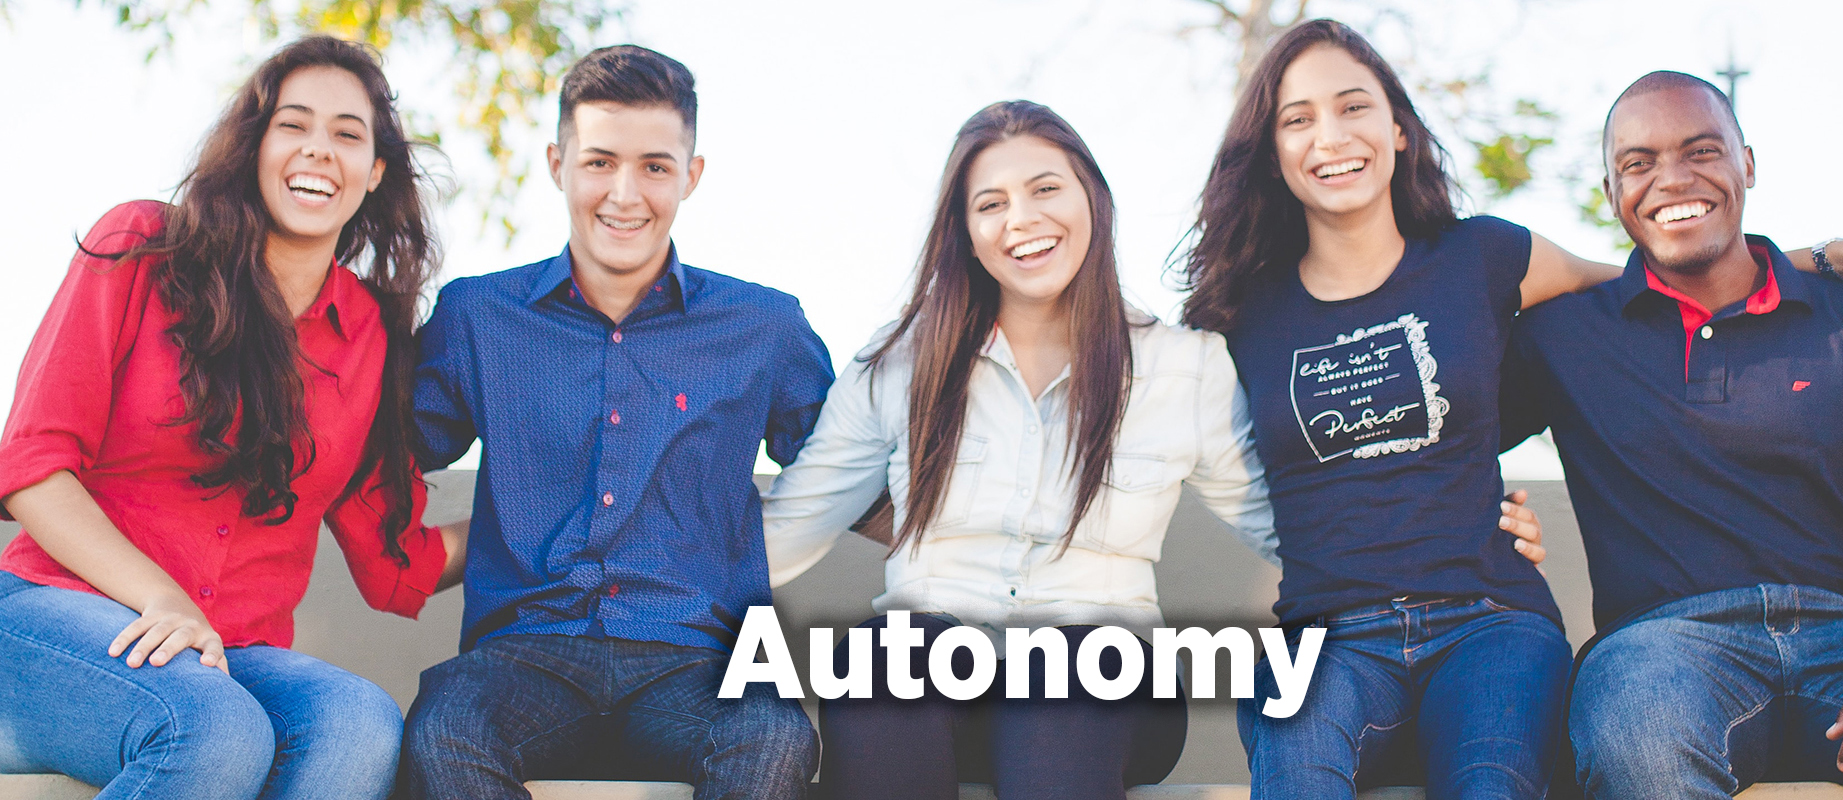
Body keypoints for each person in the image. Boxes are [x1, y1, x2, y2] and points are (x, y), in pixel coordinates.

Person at [1176, 20, 1843, 800]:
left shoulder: (1484, 257)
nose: (1331, 136)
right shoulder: (1240, 311)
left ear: (1400, 130)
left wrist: (1840, 255)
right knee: (1292, 751)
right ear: (1271, 150)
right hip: (1332, 634)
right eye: (1298, 118)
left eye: (1353, 107)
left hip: (1489, 621)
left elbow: (1665, 275)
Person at [760, 100, 1548, 800]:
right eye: (989, 204)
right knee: (882, 667)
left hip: (1102, 676)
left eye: (1045, 189)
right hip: (935, 667)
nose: (1021, 219)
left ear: (1092, 202)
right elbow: (786, 528)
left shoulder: (1182, 367)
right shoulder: (898, 364)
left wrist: (1458, 523)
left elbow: (1297, 524)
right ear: (965, 233)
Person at [1501, 70, 1843, 799]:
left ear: (1748, 165)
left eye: (1701, 151)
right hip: (1665, 651)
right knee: (1642, 735)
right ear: (1611, 193)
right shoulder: (1562, 335)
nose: (1671, 180)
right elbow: (1433, 446)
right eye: (1637, 164)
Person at [0, 36, 462, 800]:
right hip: (57, 618)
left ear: (374, 173)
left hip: (229, 656)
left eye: (347, 134)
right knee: (213, 732)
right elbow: (31, 467)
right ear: (254, 146)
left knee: (360, 726)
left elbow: (396, 563)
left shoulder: (373, 338)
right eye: (295, 125)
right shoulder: (143, 248)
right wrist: (160, 595)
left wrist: (554, 519)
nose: (319, 150)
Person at [397, 45, 833, 800]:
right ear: (557, 162)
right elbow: (373, 453)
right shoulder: (478, 317)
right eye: (599, 162)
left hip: (697, 660)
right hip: (524, 657)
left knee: (772, 736)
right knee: (444, 728)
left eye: (655, 167)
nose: (624, 194)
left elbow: (854, 470)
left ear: (691, 176)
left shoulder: (764, 327)